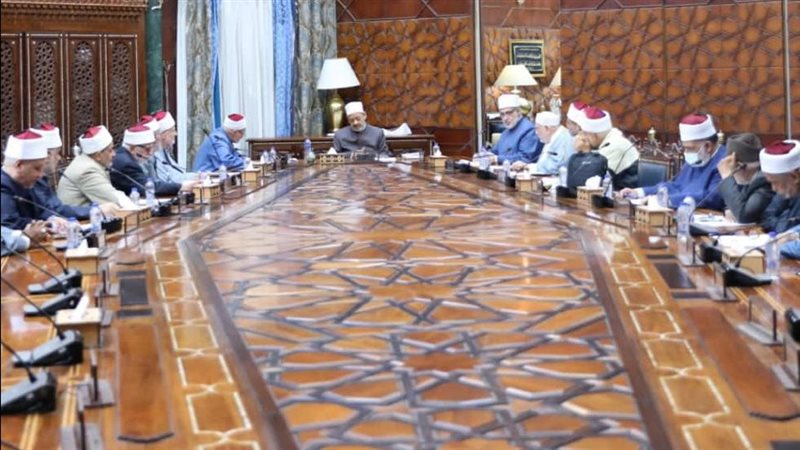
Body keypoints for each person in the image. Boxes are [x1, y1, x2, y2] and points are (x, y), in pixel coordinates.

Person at [619, 113, 725, 209]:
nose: (686, 153)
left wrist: (664, 200)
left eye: (690, 148)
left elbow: (710, 198)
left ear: (708, 146)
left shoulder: (724, 161)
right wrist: (639, 192)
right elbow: (675, 186)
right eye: (685, 148)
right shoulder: (699, 157)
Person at [31, 124, 117, 220]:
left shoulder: (41, 179)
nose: (59, 158)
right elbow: (55, 211)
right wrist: (96, 210)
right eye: (57, 153)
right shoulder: (86, 169)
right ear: (46, 155)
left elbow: (55, 209)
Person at [0, 130, 61, 238]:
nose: (41, 175)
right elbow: (9, 224)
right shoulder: (3, 185)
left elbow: (41, 210)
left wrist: (54, 219)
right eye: (37, 168)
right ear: (19, 165)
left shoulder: (25, 182)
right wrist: (46, 225)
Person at [58, 125, 132, 208]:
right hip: (78, 216)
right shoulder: (87, 171)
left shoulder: (86, 161)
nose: (114, 154)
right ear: (98, 155)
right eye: (110, 150)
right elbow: (114, 199)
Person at [111, 124, 195, 196]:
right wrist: (181, 186)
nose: (151, 153)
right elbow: (148, 187)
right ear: (132, 148)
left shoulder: (125, 156)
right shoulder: (126, 163)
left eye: (152, 148)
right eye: (147, 149)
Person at [715, 133, 774, 223]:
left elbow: (744, 216)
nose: (733, 175)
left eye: (732, 168)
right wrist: (728, 208)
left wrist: (726, 177)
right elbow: (737, 201)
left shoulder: (764, 181)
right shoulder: (746, 179)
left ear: (739, 166)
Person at [576, 106, 639, 190]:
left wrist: (584, 153)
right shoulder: (609, 140)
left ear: (593, 135)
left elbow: (587, 179)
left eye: (584, 134)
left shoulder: (615, 145)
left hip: (627, 195)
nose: (582, 138)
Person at [759, 139, 800, 237]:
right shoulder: (789, 189)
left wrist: (784, 224)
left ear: (795, 177)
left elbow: (790, 230)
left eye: (775, 182)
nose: (773, 188)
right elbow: (766, 218)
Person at [515, 110, 574, 175]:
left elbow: (556, 168)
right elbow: (545, 163)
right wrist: (526, 166)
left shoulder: (564, 140)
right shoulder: (552, 137)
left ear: (547, 128)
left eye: (537, 128)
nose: (536, 133)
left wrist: (528, 167)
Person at [489, 94, 541, 164]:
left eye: (509, 113)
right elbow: (494, 151)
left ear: (519, 112)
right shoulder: (505, 132)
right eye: (502, 114)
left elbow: (525, 158)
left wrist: (497, 159)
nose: (505, 118)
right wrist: (484, 155)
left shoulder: (529, 130)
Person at [558, 131, 609, 198]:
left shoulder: (599, 159)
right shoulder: (573, 157)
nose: (574, 142)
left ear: (586, 142)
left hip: (588, 196)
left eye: (577, 140)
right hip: (572, 195)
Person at [152, 110, 196, 182]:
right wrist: (197, 177)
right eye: (172, 130)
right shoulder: (154, 156)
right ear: (163, 135)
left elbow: (177, 174)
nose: (175, 134)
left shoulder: (164, 151)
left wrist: (199, 176)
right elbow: (167, 180)